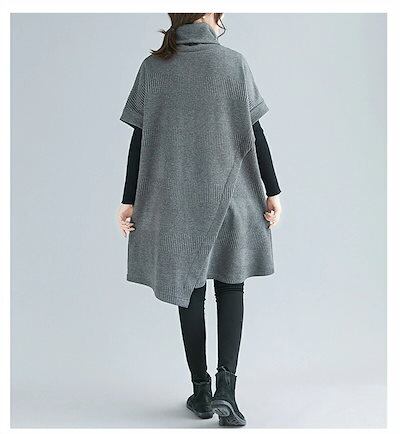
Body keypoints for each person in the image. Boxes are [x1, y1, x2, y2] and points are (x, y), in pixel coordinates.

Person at [117, 13, 282, 427]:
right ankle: (228, 390)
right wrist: (273, 191)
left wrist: (128, 200)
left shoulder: (153, 67)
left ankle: (202, 392)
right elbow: (255, 132)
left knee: (188, 288)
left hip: (175, 203)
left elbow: (140, 138)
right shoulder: (234, 63)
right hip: (232, 198)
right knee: (231, 285)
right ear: (209, 14)